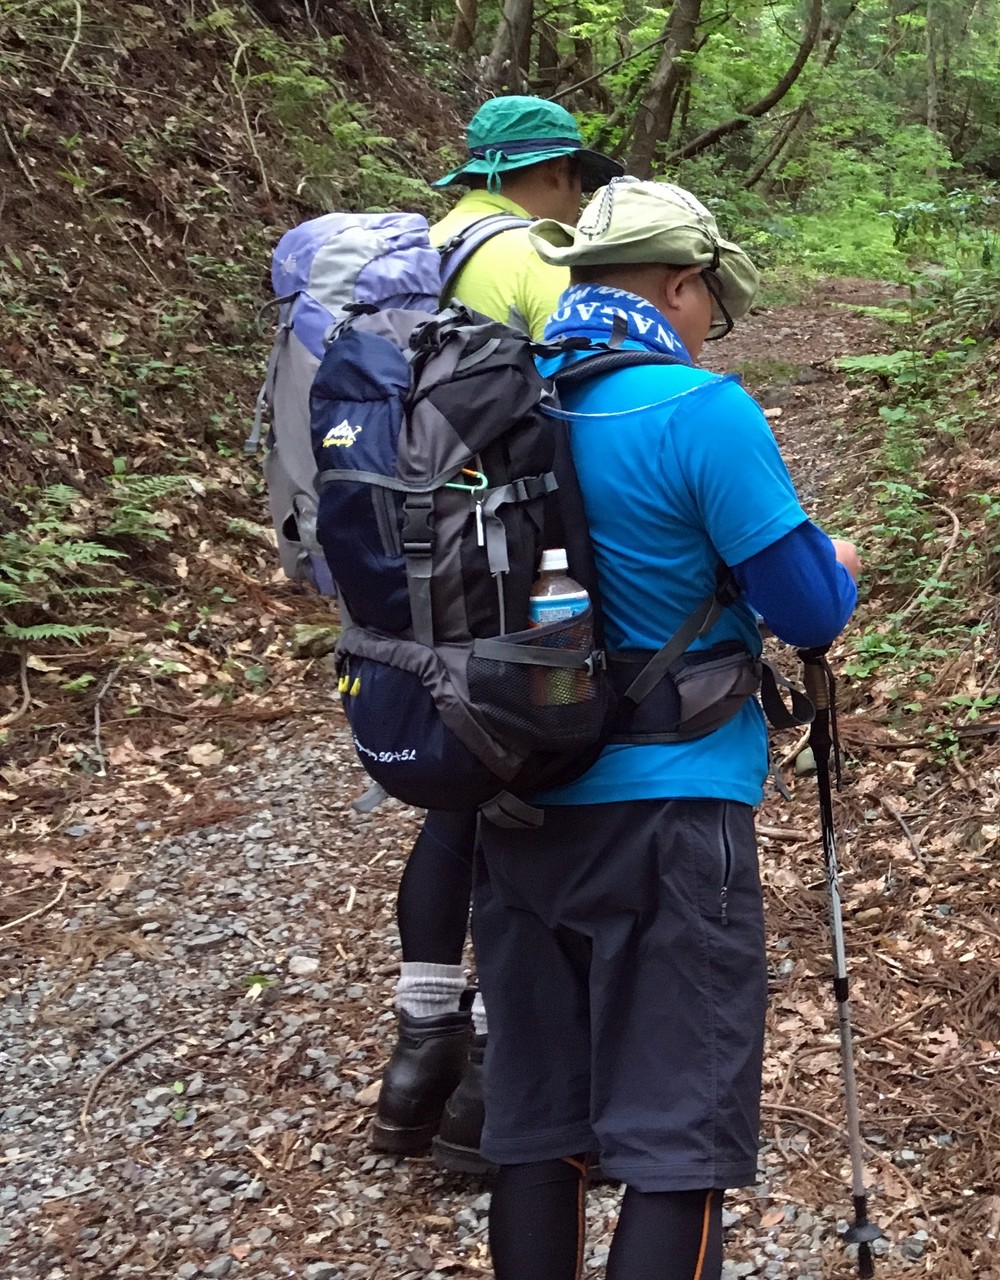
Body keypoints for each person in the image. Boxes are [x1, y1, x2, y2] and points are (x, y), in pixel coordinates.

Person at [472, 178, 861, 1280]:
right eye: (709, 305)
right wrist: (837, 564)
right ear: (682, 285)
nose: (706, 326)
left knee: (537, 1127)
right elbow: (806, 610)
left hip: (510, 791)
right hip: (672, 809)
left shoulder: (493, 402)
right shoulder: (698, 409)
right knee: (676, 1138)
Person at [369, 95, 625, 1175]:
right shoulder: (527, 252)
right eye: (574, 180)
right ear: (548, 173)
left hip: (411, 570)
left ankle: (421, 1045)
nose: (577, 199)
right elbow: (587, 383)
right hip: (506, 576)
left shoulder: (414, 256)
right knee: (532, 786)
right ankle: (495, 1086)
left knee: (458, 793)